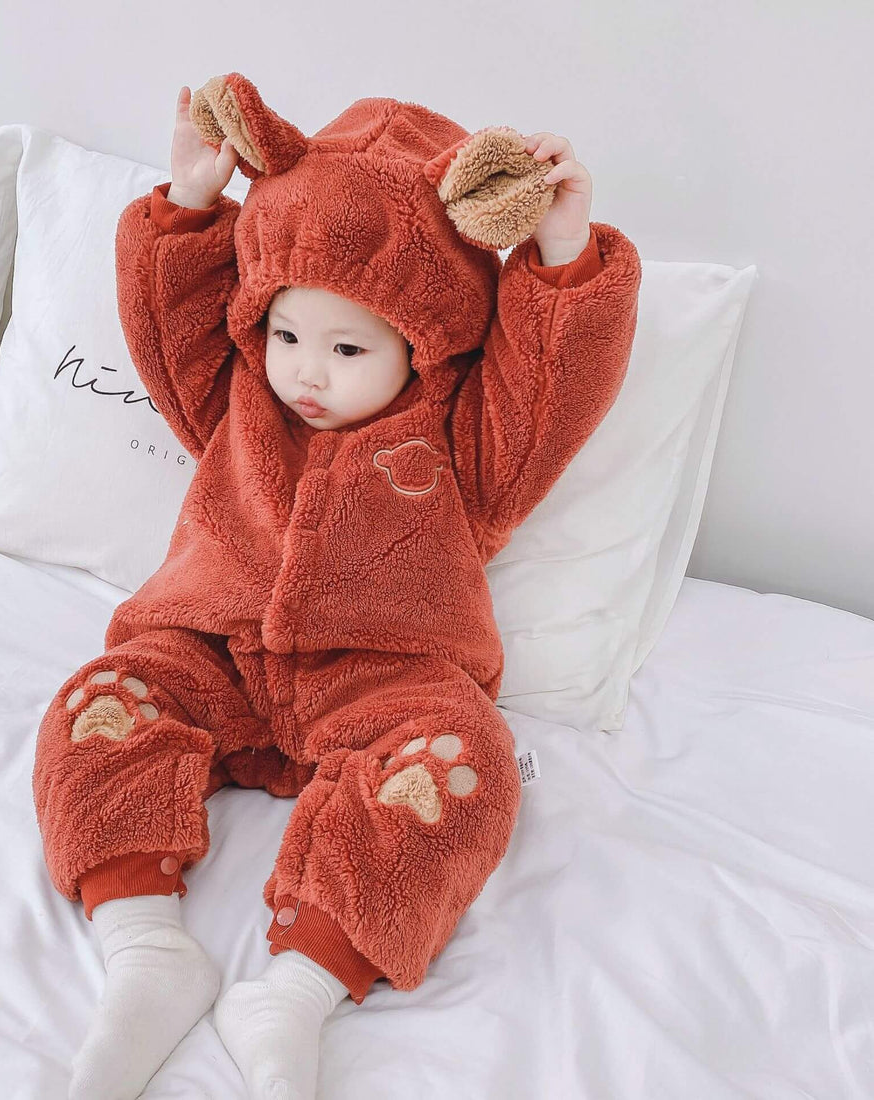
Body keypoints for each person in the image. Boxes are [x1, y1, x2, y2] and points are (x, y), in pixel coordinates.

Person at [32, 74, 642, 1100]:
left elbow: (549, 386)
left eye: (347, 349)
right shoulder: (234, 396)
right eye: (284, 336)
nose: (304, 373)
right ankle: (145, 950)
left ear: (421, 345)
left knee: (467, 772)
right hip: (210, 644)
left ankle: (296, 989)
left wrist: (559, 255)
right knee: (99, 703)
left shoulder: (464, 443)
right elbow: (173, 318)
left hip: (386, 675)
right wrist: (187, 207)